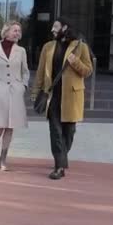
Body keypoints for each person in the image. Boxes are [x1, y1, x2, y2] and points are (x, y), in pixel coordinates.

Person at [31, 18, 93, 180]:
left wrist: (75, 62)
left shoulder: (80, 47)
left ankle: (62, 156)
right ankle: (59, 166)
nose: (52, 29)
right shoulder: (48, 47)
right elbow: (40, 72)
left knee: (69, 131)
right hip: (52, 96)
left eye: (56, 26)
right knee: (55, 131)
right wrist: (35, 92)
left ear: (65, 27)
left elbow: (87, 71)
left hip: (72, 96)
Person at [0, 21, 29, 171]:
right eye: (14, 30)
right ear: (6, 32)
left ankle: (3, 157)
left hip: (16, 92)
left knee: (10, 126)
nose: (17, 33)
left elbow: (25, 71)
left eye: (19, 31)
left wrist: (24, 86)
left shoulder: (21, 51)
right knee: (0, 125)